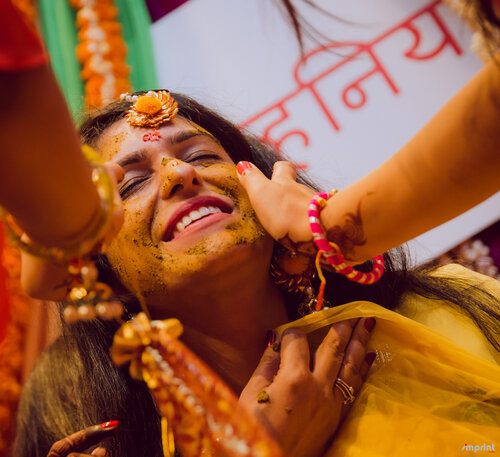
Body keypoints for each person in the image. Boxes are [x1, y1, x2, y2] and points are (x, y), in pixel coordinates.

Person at [1, 1, 499, 456]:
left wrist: (330, 226)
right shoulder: (124, 444)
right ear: (101, 271)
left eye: (199, 155)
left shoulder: (456, 310)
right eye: (129, 185)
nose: (179, 174)